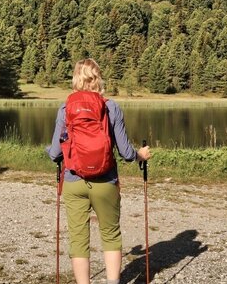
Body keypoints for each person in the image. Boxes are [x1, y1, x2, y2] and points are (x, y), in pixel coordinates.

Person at [46, 58, 151, 284]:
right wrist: (140, 155)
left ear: (75, 78)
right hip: (106, 182)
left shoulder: (65, 109)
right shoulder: (111, 107)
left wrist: (50, 150)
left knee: (78, 240)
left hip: (74, 182)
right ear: (98, 79)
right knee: (111, 235)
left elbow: (55, 153)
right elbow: (125, 152)